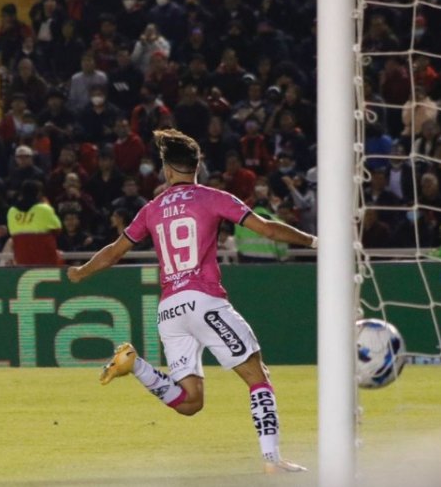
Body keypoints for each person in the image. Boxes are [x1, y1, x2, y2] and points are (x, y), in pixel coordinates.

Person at [67, 128, 313, 473]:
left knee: (190, 402)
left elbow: (113, 252)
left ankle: (133, 363)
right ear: (198, 166)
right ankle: (272, 458)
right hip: (204, 301)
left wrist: (81, 272)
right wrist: (316, 242)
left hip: (169, 310)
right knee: (257, 377)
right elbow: (269, 229)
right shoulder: (213, 197)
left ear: (166, 170)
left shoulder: (151, 209)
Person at [6, 179, 62, 265]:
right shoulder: (44, 209)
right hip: (46, 260)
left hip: (21, 260)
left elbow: (12, 234)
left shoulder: (11, 211)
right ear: (38, 193)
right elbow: (58, 230)